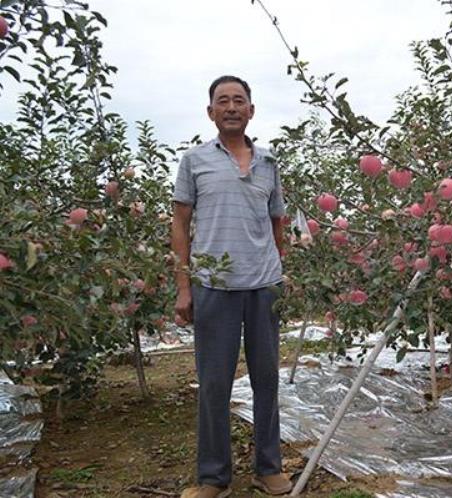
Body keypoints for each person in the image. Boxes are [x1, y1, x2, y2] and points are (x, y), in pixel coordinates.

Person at [172, 75, 292, 497]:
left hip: (263, 286)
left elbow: (278, 220)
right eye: (222, 101)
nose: (231, 107)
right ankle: (212, 476)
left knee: (266, 379)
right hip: (213, 287)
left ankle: (268, 466)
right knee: (214, 383)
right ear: (210, 112)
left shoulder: (269, 163)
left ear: (251, 110)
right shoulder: (194, 161)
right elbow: (181, 224)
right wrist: (184, 286)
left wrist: (280, 270)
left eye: (239, 100)